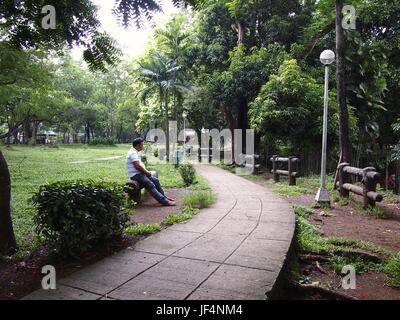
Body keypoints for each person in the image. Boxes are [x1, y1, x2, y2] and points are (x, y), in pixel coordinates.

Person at [126, 138, 176, 206]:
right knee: (150, 184)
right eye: (142, 145)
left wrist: (146, 173)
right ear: (138, 145)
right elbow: (137, 166)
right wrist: (146, 172)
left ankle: (164, 197)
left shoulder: (134, 152)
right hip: (136, 175)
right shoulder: (132, 153)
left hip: (139, 174)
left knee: (155, 180)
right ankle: (164, 201)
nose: (143, 146)